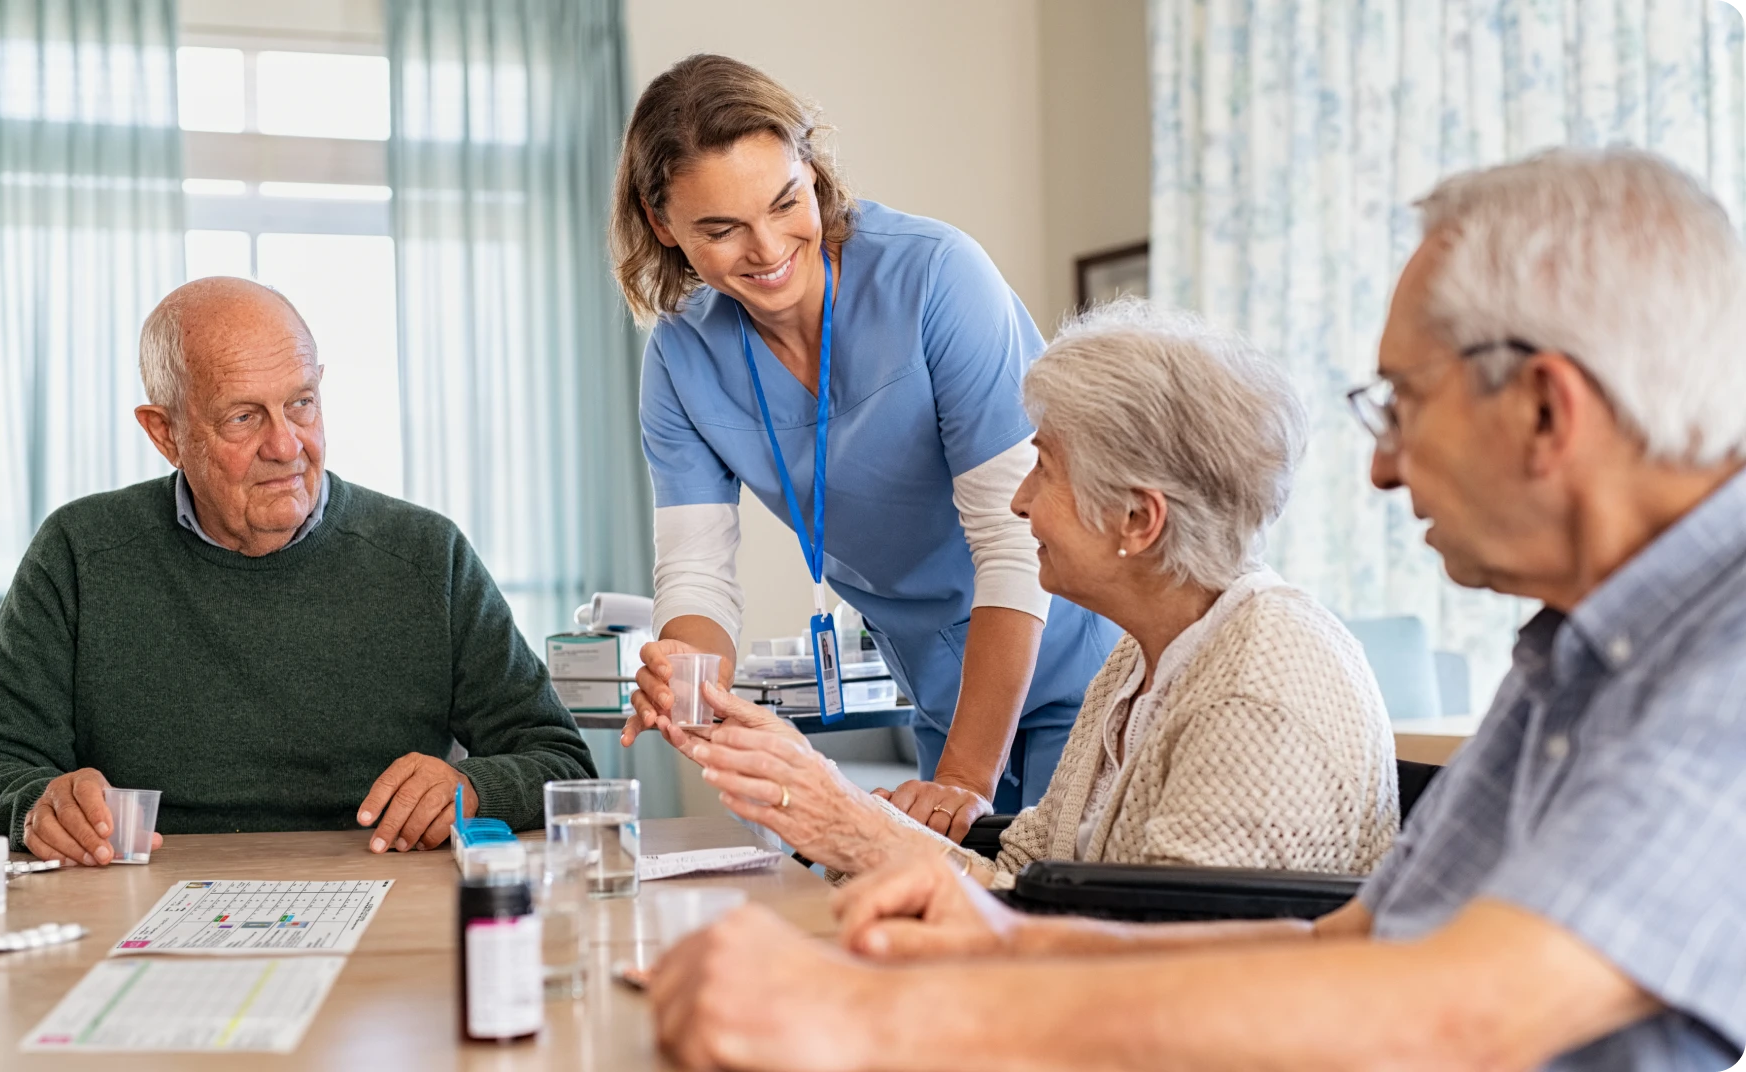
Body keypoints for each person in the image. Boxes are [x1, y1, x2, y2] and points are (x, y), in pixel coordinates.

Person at [648, 147, 1746, 1072]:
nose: (1379, 472)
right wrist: (1005, 946)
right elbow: (1352, 943)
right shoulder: (1577, 653)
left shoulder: (1722, 660)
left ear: (1546, 409)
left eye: (1400, 403)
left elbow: (1459, 1012)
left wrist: (871, 1013)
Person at [669, 300, 1396, 883]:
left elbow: (1155, 971)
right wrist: (836, 812)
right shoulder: (1143, 662)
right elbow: (1024, 873)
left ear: (1137, 519)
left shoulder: (1254, 695)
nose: (1019, 502)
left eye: (1043, 469)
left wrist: (846, 819)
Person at [613, 54, 1115, 833]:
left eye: (785, 202)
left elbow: (1014, 546)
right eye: (720, 229)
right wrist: (687, 676)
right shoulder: (681, 358)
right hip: (945, 697)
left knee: (1057, 921)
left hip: (1082, 669)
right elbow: (696, 578)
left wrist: (962, 783)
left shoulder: (937, 280)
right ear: (662, 224)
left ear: (812, 170)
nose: (768, 247)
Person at [0, 277, 595, 866]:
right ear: (164, 433)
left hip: (377, 902)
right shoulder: (78, 552)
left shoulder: (427, 554)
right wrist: (38, 806)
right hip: (143, 905)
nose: (286, 447)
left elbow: (564, 765)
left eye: (302, 404)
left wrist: (475, 787)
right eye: (243, 417)